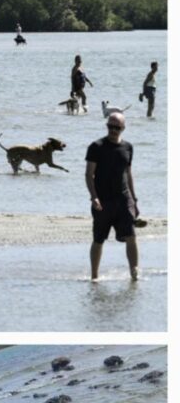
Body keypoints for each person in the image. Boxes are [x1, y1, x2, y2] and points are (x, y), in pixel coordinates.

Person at [85, 112, 140, 282]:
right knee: (98, 239)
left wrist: (134, 200)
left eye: (117, 127)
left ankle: (134, 273)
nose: (113, 130)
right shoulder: (96, 146)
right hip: (102, 202)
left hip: (123, 200)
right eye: (110, 126)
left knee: (131, 236)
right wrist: (94, 197)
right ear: (107, 126)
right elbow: (89, 175)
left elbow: (128, 174)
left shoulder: (128, 148)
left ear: (123, 128)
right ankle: (94, 276)